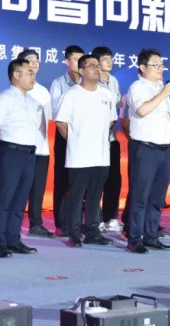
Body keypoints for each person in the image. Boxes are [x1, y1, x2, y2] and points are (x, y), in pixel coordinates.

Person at [125, 49, 170, 253]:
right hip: (144, 148)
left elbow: (162, 116)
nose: (160, 68)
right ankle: (134, 238)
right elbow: (142, 110)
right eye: (155, 65)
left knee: (157, 197)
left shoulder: (161, 88)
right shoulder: (137, 87)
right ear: (142, 67)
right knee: (140, 196)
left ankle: (151, 236)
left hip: (164, 149)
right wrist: (162, 94)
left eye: (161, 64)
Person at [54, 54, 116, 248]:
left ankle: (92, 231)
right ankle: (73, 233)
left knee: (95, 196)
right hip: (79, 157)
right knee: (75, 196)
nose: (97, 69)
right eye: (91, 66)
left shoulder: (106, 95)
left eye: (97, 65)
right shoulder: (72, 94)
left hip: (101, 155)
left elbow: (111, 120)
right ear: (81, 71)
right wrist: (75, 140)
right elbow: (61, 122)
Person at [0, 59, 40, 258]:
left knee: (20, 200)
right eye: (29, 73)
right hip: (10, 153)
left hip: (29, 154)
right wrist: (3, 150)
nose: (33, 76)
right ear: (16, 75)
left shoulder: (33, 101)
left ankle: (13, 239)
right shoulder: (4, 98)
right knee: (4, 199)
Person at [17, 49, 54, 238]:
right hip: (21, 147)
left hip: (41, 147)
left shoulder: (43, 91)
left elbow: (48, 120)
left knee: (38, 189)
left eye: (37, 60)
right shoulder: (17, 91)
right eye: (29, 60)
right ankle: (13, 224)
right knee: (19, 188)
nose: (34, 63)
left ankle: (36, 223)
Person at [49, 45, 84, 235]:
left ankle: (77, 220)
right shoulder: (59, 83)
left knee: (80, 181)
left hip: (84, 137)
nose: (79, 63)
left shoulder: (87, 83)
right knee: (63, 180)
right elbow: (56, 113)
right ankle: (61, 222)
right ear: (67, 61)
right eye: (76, 59)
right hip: (65, 136)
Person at [92, 46, 123, 233]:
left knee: (114, 180)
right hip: (96, 139)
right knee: (97, 180)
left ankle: (110, 217)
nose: (109, 62)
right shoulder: (92, 81)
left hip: (112, 137)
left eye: (110, 58)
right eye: (105, 59)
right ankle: (94, 219)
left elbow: (117, 103)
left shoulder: (114, 81)